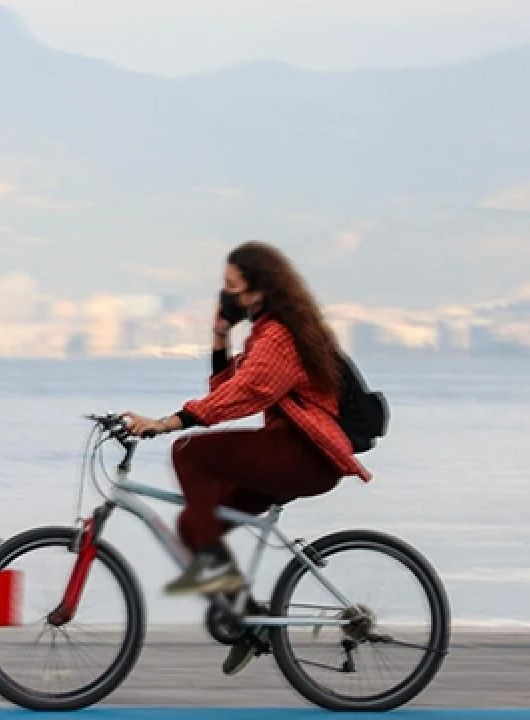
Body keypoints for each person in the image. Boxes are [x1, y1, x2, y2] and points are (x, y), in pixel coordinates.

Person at [121, 241, 370, 675]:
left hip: (302, 456)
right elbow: (224, 388)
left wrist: (168, 423)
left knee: (189, 452)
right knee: (193, 525)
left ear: (259, 288)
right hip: (286, 453)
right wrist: (220, 334)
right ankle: (245, 620)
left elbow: (245, 394)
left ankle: (227, 599)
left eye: (232, 288)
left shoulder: (280, 337)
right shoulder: (265, 335)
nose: (227, 296)